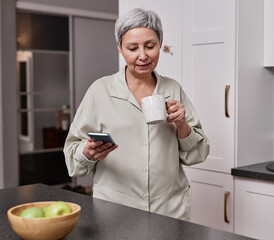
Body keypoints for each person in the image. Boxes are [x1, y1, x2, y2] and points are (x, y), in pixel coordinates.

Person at [63, 8, 210, 221]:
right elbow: (72, 159)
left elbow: (199, 153)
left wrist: (182, 125)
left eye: (150, 46)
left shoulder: (173, 89)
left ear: (160, 43)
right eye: (132, 48)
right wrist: (87, 153)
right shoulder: (100, 91)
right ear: (120, 49)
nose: (143, 56)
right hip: (115, 213)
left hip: (169, 211)